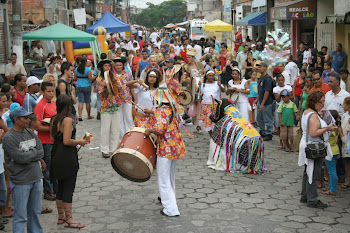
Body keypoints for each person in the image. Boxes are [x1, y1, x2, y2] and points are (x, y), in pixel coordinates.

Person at [145, 88, 186, 217]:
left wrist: (149, 130)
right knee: (170, 177)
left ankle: (170, 209)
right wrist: (152, 113)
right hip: (175, 146)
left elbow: (160, 129)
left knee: (163, 179)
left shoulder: (162, 110)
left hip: (166, 148)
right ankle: (171, 202)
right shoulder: (172, 108)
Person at [3, 107, 44, 232]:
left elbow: (41, 151)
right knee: (20, 216)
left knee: (35, 213)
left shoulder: (29, 132)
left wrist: (28, 155)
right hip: (21, 181)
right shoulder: (9, 138)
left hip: (36, 178)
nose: (28, 120)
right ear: (16, 120)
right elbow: (19, 158)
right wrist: (33, 153)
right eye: (25, 118)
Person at [50, 95, 87, 229]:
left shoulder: (54, 119)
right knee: (68, 188)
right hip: (66, 156)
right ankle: (69, 219)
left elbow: (53, 137)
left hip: (56, 153)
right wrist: (80, 142)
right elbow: (67, 140)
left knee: (60, 186)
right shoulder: (68, 120)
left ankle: (61, 216)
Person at [298, 90, 336, 209]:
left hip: (307, 144)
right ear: (315, 102)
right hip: (314, 146)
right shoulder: (313, 115)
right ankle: (312, 199)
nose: (323, 104)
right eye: (321, 102)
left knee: (307, 171)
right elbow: (314, 132)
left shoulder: (307, 112)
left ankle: (305, 196)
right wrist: (327, 128)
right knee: (313, 173)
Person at [33, 81, 57, 201]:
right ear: (42, 92)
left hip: (55, 140)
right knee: (47, 167)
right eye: (48, 91)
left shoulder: (53, 103)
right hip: (45, 141)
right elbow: (37, 126)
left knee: (54, 166)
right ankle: (48, 191)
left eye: (52, 91)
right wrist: (52, 128)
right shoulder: (40, 106)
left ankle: (55, 189)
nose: (51, 93)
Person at [96, 60, 121, 158]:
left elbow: (119, 90)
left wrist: (115, 84)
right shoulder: (99, 79)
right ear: (102, 68)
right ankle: (104, 149)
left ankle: (113, 148)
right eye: (105, 66)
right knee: (105, 129)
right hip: (106, 106)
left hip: (115, 105)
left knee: (115, 129)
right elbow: (103, 94)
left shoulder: (114, 77)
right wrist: (107, 86)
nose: (107, 68)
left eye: (109, 66)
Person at [183, 48, 205, 133]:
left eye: (189, 57)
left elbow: (203, 73)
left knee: (199, 105)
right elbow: (184, 78)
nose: (188, 59)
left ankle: (199, 125)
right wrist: (186, 79)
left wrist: (202, 78)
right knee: (193, 105)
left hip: (199, 86)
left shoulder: (199, 64)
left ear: (193, 57)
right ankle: (195, 124)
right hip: (191, 87)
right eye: (187, 57)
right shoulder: (186, 67)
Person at [113, 57, 135, 144]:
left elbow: (132, 86)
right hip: (116, 100)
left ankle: (131, 136)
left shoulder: (128, 74)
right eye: (117, 65)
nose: (118, 67)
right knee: (119, 120)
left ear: (123, 66)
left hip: (127, 98)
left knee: (129, 118)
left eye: (120, 65)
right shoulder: (112, 75)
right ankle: (121, 139)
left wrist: (135, 98)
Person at [323, 110, 341, 196]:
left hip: (330, 151)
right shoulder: (337, 127)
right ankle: (330, 186)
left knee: (331, 170)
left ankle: (333, 189)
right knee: (331, 169)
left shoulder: (333, 129)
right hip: (334, 150)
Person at [199, 70, 222, 135]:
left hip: (215, 106)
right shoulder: (203, 85)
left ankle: (215, 137)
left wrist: (220, 85)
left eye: (212, 75)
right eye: (210, 75)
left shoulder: (217, 83)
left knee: (215, 122)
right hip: (206, 105)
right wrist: (199, 86)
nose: (211, 77)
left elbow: (223, 90)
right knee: (208, 122)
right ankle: (212, 137)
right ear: (207, 76)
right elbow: (199, 94)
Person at [255, 62, 274, 141]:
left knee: (267, 118)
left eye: (261, 67)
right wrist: (257, 99)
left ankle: (269, 133)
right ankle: (262, 131)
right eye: (258, 67)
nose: (259, 68)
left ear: (265, 68)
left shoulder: (268, 79)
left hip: (267, 103)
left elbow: (267, 92)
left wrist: (262, 104)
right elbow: (261, 91)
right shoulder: (261, 78)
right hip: (260, 101)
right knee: (259, 118)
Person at [341, 96, 350, 189]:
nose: (342, 106)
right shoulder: (344, 115)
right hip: (345, 141)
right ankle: (347, 180)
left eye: (344, 104)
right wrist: (342, 136)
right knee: (347, 161)